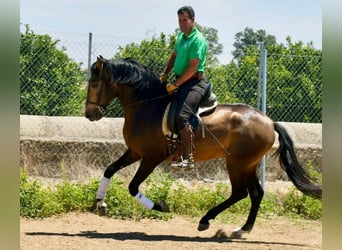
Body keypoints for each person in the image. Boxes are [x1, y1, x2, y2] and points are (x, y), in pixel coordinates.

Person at [160, 6, 209, 169]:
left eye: (185, 20)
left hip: (195, 83)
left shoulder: (198, 40)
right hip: (181, 81)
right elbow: (174, 55)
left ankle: (188, 158)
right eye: (179, 20)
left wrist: (175, 85)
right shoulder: (181, 36)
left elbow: (192, 69)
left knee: (182, 116)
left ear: (193, 20)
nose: (181, 24)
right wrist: (165, 73)